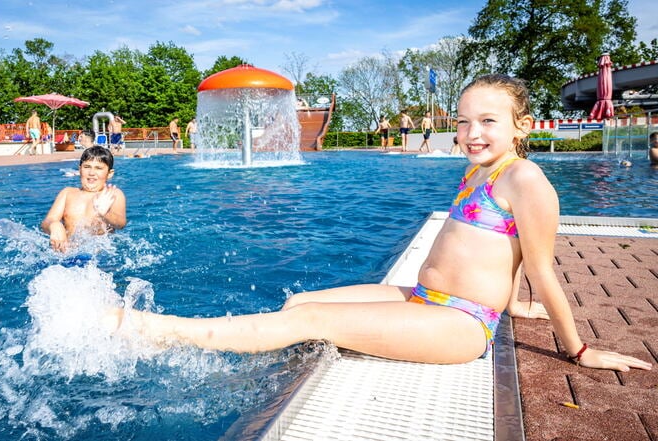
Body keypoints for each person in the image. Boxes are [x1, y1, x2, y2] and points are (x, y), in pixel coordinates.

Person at [105, 74, 652, 373]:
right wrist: (513, 302)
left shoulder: (527, 180)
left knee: (308, 318)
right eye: (463, 122)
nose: (472, 132)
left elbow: (542, 267)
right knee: (299, 304)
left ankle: (160, 331)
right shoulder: (475, 171)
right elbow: (503, 256)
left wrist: (578, 349)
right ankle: (227, 354)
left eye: (488, 121)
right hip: (421, 299)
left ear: (521, 126)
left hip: (460, 325)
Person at [41, 146, 127, 252]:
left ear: (109, 173)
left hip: (97, 257)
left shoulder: (113, 194)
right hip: (66, 254)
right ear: (80, 169)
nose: (91, 172)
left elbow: (120, 223)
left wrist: (104, 214)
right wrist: (54, 225)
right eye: (87, 167)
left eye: (98, 168)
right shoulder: (67, 193)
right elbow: (47, 222)